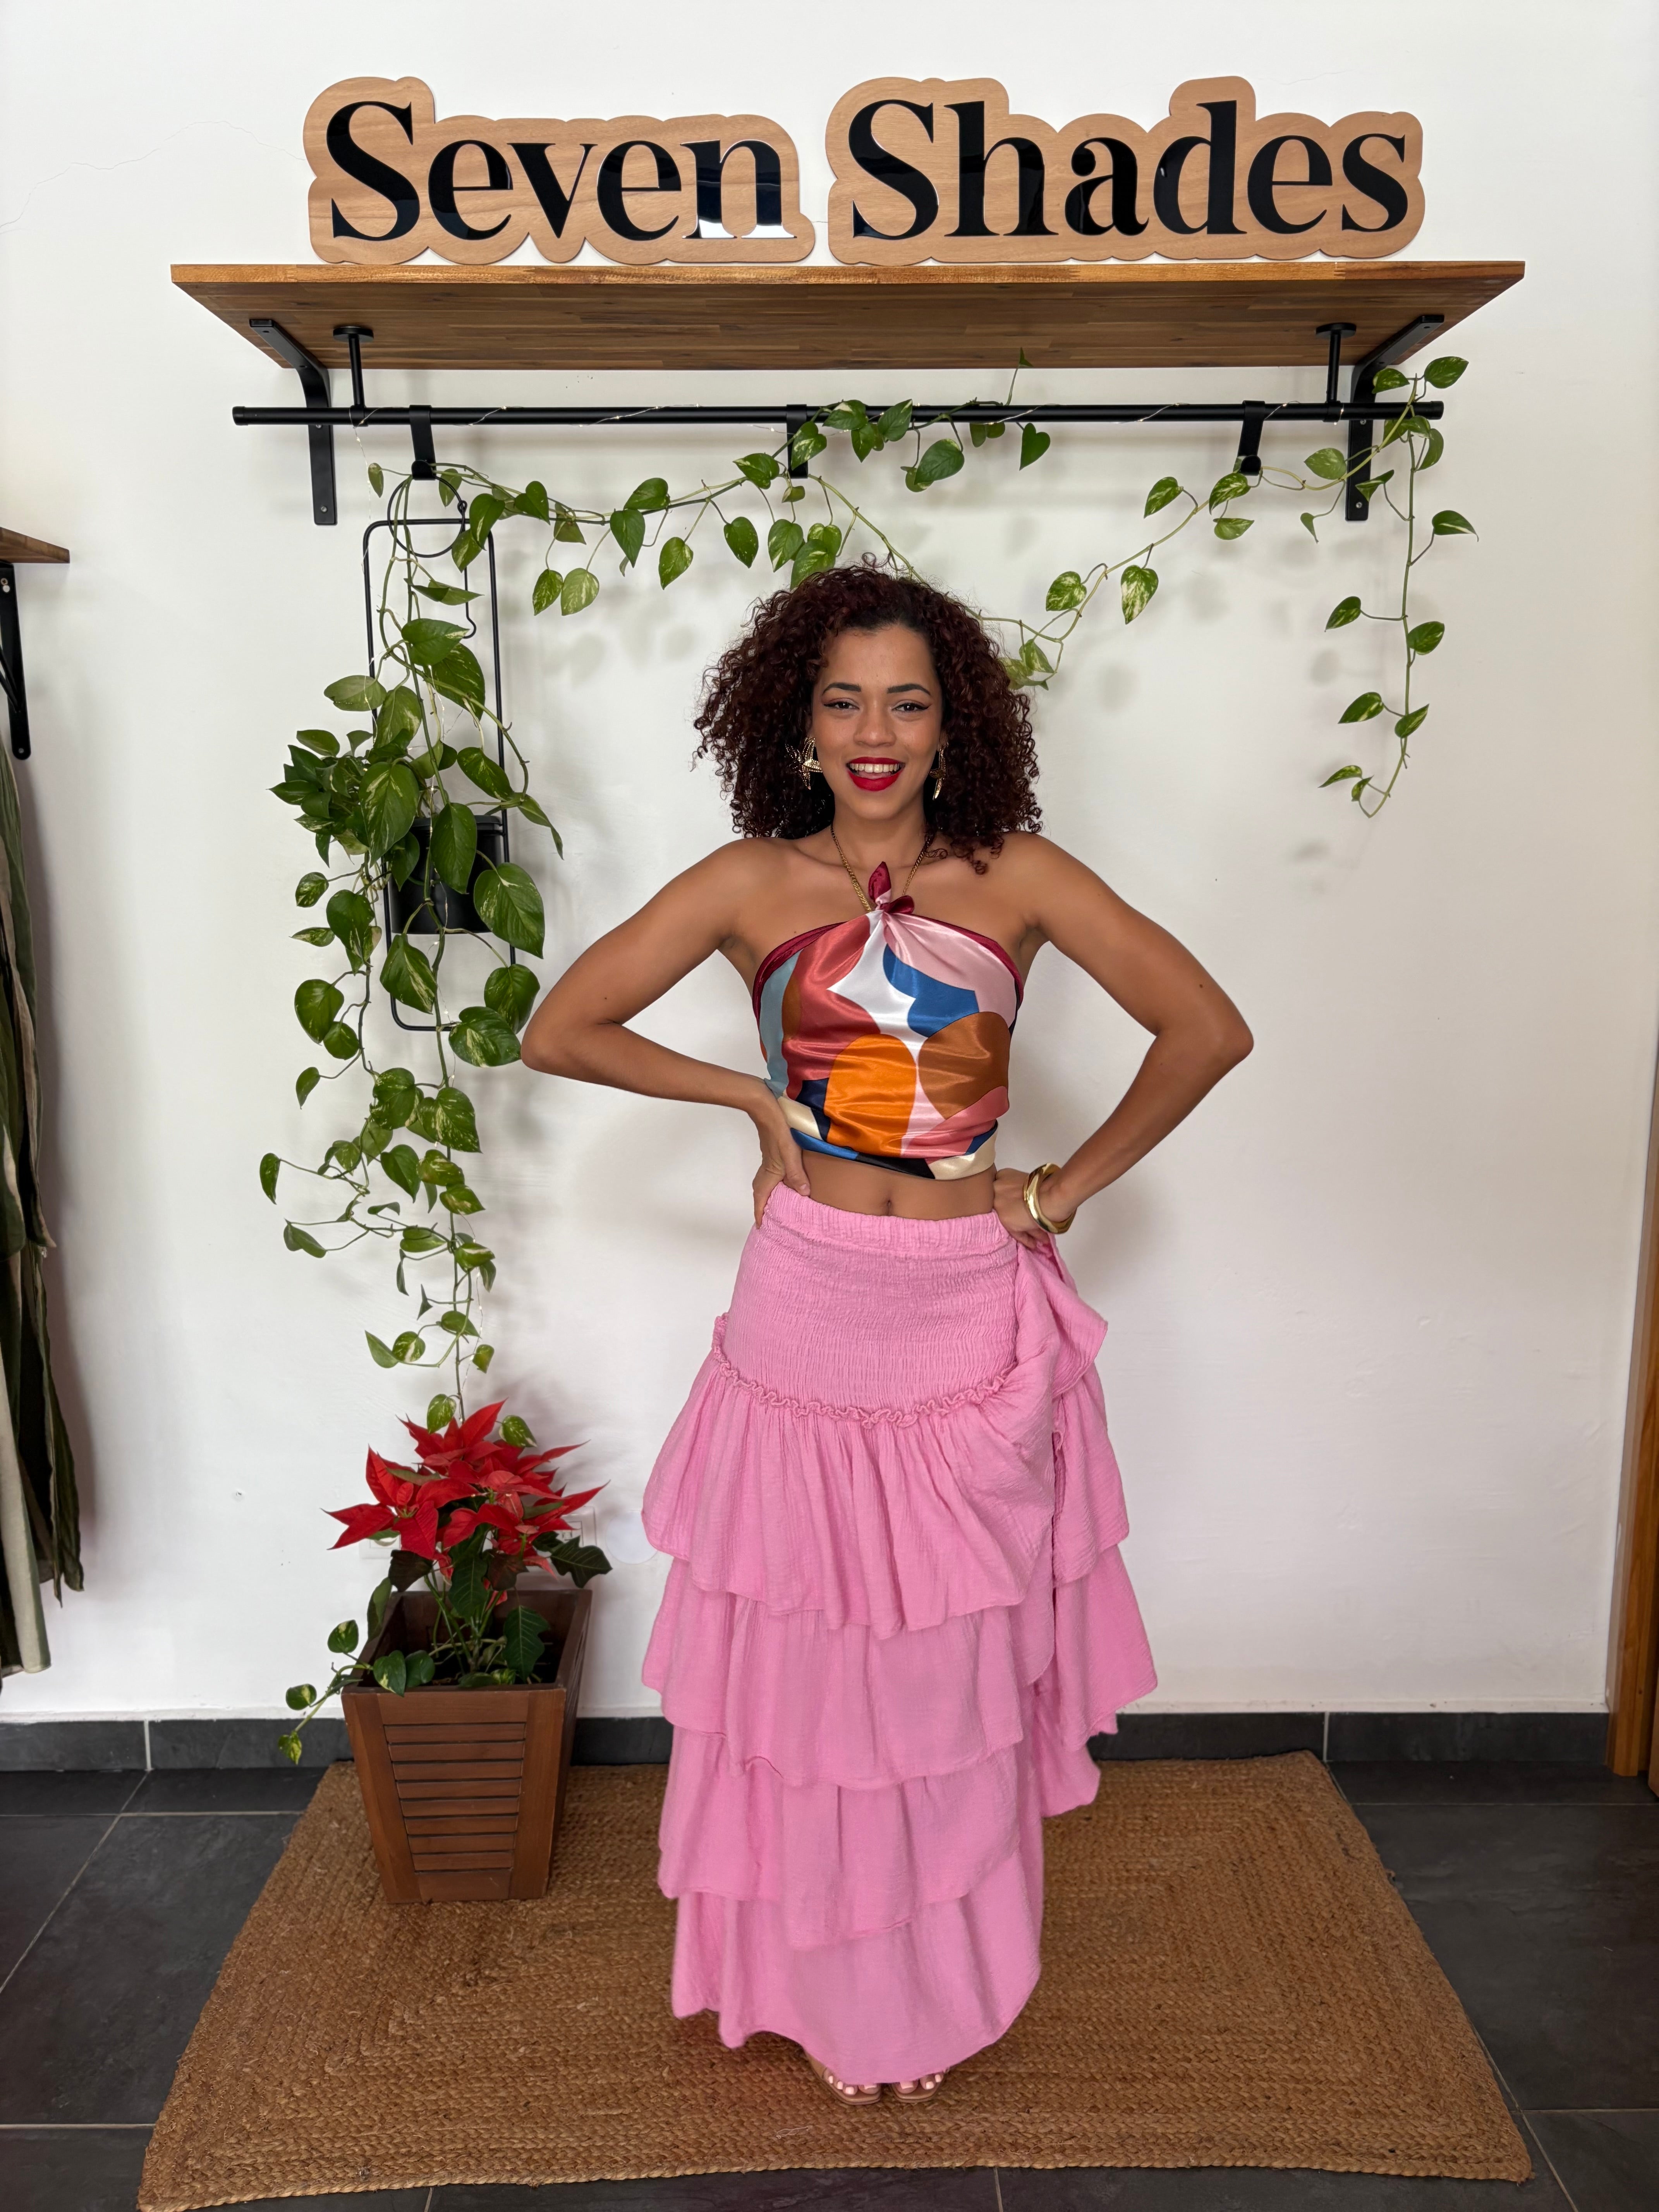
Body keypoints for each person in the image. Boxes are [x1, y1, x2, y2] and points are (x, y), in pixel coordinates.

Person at [521, 560, 1252, 2105]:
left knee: (942, 1686)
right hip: (803, 1307)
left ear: (949, 725)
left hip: (965, 1315)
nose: (873, 733)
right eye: (843, 701)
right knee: (813, 1679)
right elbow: (559, 1027)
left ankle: (930, 2001)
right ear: (796, 723)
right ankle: (822, 1991)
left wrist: (1056, 1190)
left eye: (905, 704)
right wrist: (745, 1098)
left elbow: (1208, 1029)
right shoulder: (748, 885)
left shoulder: (1019, 876)